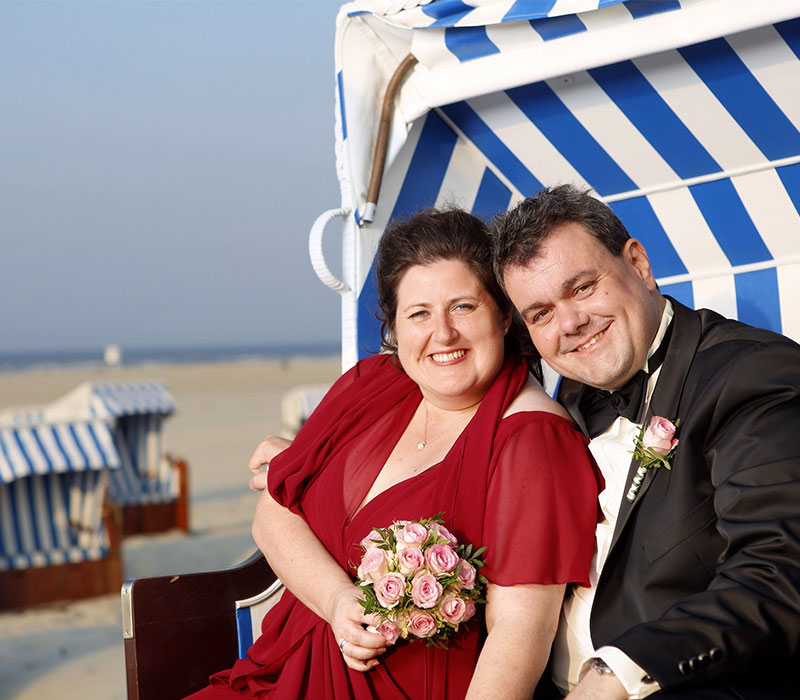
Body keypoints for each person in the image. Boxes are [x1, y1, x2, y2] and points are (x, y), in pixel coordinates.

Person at [187, 208, 602, 700]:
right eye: (419, 313)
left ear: (503, 314)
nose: (442, 334)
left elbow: (519, 635)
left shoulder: (531, 440)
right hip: (277, 675)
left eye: (463, 307)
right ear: (396, 326)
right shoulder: (371, 386)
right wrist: (338, 599)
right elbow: (272, 516)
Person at [492, 184, 800, 700]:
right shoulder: (563, 400)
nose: (570, 324)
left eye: (583, 288)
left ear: (638, 264)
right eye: (540, 313)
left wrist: (620, 671)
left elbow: (777, 573)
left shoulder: (752, 374)